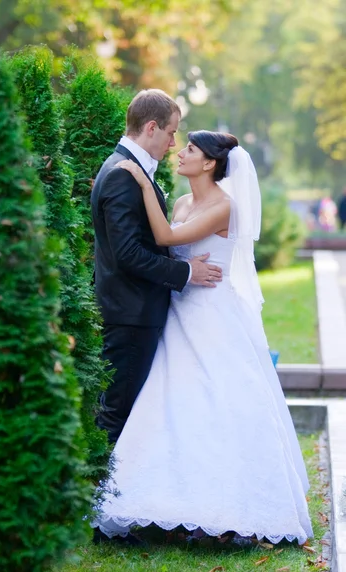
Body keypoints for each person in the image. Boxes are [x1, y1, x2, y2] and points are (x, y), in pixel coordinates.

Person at [92, 131, 313, 545]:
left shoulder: (224, 206)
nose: (181, 151)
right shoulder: (180, 202)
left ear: (210, 163)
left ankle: (225, 511)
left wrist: (141, 182)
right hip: (179, 313)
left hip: (212, 315)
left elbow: (166, 239)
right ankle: (165, 505)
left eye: (190, 149)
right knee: (170, 406)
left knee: (216, 402)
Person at [91, 91, 222, 445]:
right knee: (119, 413)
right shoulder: (121, 174)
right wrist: (186, 273)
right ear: (151, 127)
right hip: (130, 313)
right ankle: (98, 497)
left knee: (127, 411)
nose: (173, 143)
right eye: (171, 132)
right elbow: (128, 254)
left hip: (135, 310)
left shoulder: (126, 169)